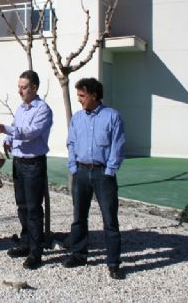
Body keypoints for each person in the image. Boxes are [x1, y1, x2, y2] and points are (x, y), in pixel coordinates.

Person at [63, 77, 126, 280]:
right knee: (79, 217)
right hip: (81, 173)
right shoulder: (77, 118)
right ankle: (78, 255)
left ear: (94, 95)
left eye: (82, 95)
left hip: (103, 174)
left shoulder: (112, 117)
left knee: (110, 220)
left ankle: (113, 263)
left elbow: (118, 145)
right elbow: (71, 143)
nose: (79, 99)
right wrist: (73, 167)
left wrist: (110, 171)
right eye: (78, 95)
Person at [0, 70, 53, 270]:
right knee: (22, 206)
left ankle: (36, 252)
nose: (19, 91)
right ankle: (26, 243)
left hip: (34, 164)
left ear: (34, 87)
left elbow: (30, 133)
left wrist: (7, 130)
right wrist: (8, 139)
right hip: (19, 162)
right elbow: (16, 128)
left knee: (34, 208)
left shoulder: (43, 110)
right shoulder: (20, 109)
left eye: (24, 87)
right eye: (18, 87)